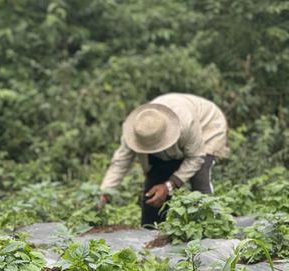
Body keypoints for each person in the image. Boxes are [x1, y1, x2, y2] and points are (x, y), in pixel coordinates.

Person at [98, 93, 229, 227]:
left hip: (207, 126)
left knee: (200, 181)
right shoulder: (138, 130)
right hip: (173, 136)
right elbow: (120, 162)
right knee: (153, 194)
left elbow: (196, 157)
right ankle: (151, 234)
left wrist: (169, 185)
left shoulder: (185, 125)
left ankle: (210, 228)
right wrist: (106, 192)